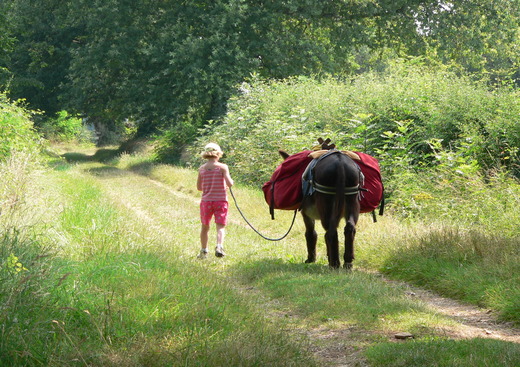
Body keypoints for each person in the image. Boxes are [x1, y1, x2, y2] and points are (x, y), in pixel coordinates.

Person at [196, 143, 234, 259]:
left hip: (206, 202)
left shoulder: (202, 168)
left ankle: (203, 252)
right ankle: (219, 246)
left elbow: (199, 187)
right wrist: (225, 185)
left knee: (205, 226)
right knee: (220, 226)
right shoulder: (222, 167)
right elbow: (230, 183)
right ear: (218, 154)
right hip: (221, 201)